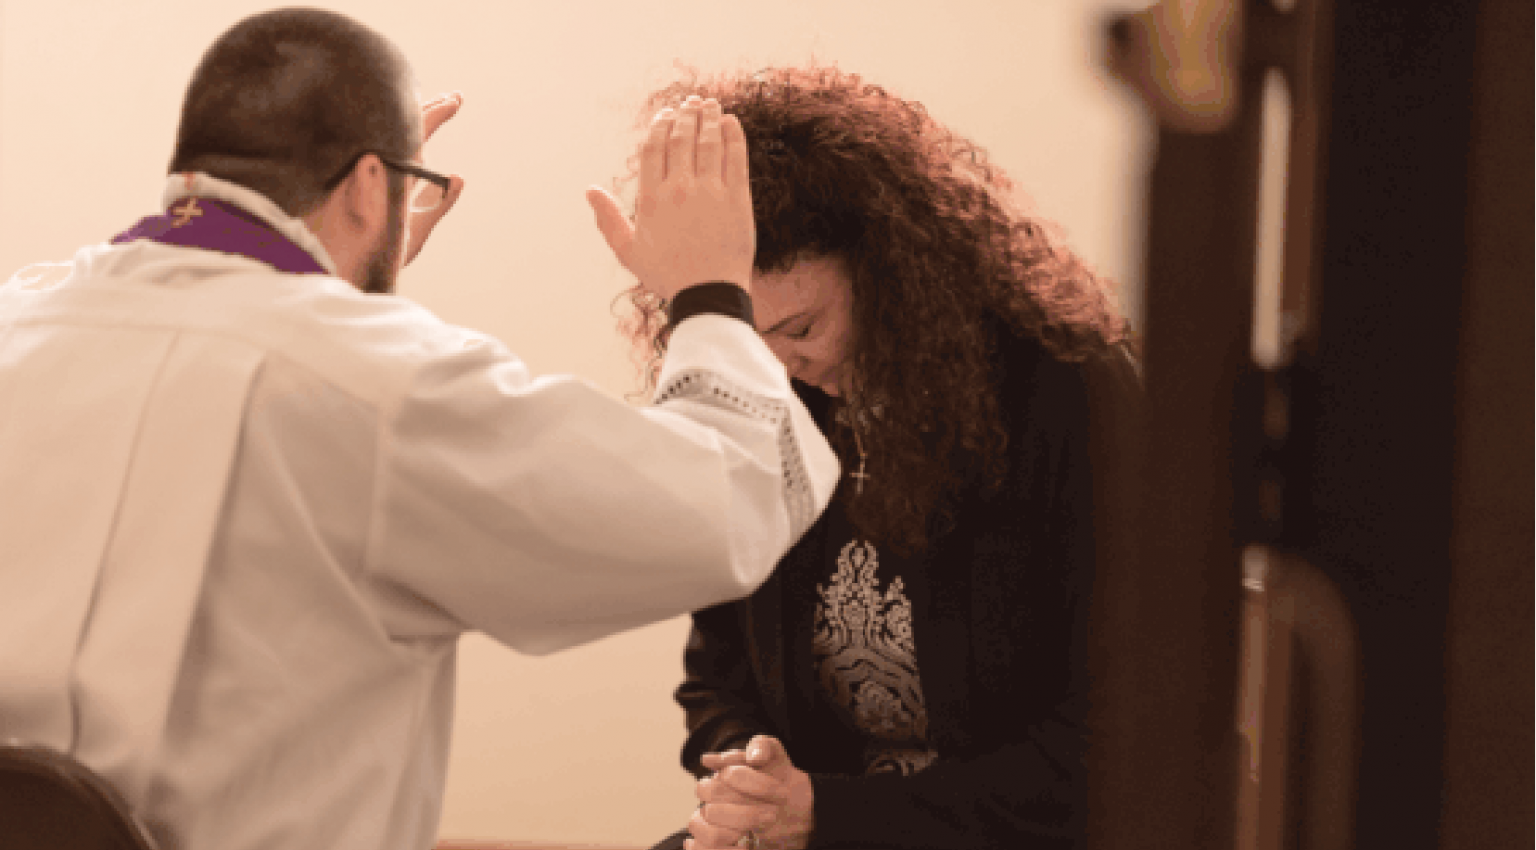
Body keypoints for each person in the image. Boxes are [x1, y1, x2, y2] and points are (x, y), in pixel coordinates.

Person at [0, 10, 840, 850]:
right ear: (370, 185)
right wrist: (708, 290)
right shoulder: (380, 386)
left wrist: (336, 281)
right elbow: (727, 501)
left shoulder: (20, 322)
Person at [624, 66, 1144, 850]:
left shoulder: (1067, 393)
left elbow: (1106, 749)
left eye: (802, 329)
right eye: (744, 340)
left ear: (892, 273)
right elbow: (718, 670)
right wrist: (751, 776)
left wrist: (829, 814)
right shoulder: (772, 403)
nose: (778, 369)